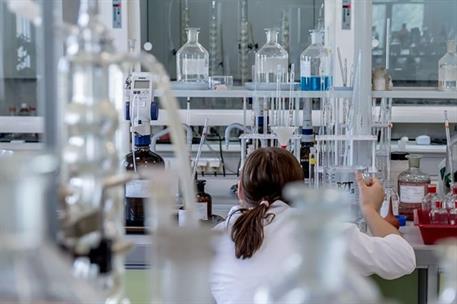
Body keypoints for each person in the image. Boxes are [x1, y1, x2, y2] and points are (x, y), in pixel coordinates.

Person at [210, 148, 416, 304]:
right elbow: (404, 259)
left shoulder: (215, 240)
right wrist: (369, 209)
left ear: (239, 190)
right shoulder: (322, 234)